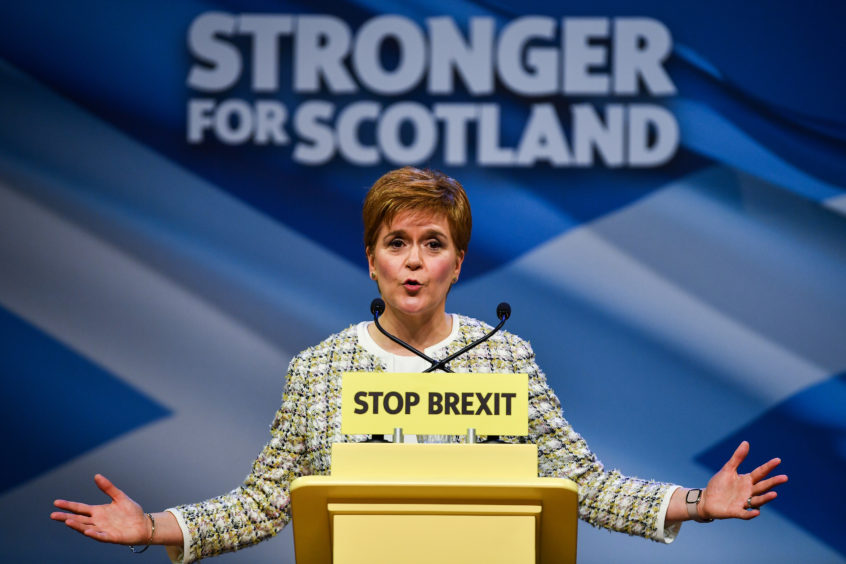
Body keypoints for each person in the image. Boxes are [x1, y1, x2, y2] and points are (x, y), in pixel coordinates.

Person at [51, 167, 787, 562]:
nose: (414, 261)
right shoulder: (321, 368)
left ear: (457, 264)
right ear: (370, 259)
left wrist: (696, 502)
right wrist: (153, 528)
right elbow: (264, 503)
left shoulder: (504, 357)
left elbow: (577, 484)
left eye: (433, 243)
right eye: (397, 241)